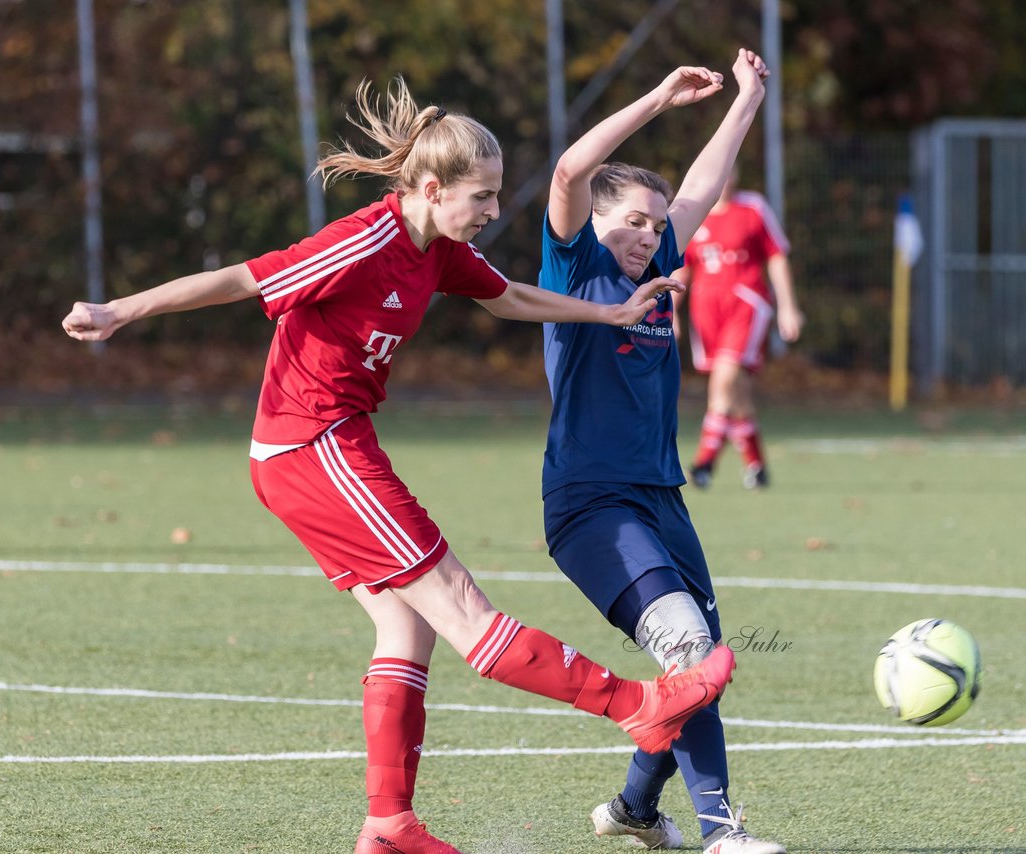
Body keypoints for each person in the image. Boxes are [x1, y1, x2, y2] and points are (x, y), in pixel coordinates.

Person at [63, 76, 736, 854]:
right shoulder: (366, 239)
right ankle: (635, 703)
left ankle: (388, 824)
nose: (491, 212)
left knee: (405, 624)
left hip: (326, 446)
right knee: (460, 606)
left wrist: (608, 311)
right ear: (430, 188)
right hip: (312, 444)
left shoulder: (439, 250)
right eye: (481, 197)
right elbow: (244, 278)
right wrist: (120, 311)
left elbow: (510, 296)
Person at [539, 51, 785, 854]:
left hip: (662, 500)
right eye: (632, 222)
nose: (647, 234)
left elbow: (703, 189)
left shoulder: (662, 262)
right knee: (688, 649)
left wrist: (745, 99)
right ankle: (722, 835)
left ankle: (636, 808)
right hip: (591, 507)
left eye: (654, 223)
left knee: (699, 667)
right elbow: (574, 166)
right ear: (595, 225)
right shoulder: (575, 266)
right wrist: (660, 96)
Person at [671, 167, 802, 490]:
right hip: (706, 311)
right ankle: (757, 466)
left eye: (729, 173)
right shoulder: (692, 213)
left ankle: (703, 463)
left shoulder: (752, 208)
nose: (724, 179)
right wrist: (669, 311)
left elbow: (776, 256)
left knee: (724, 381)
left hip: (746, 304)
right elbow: (681, 269)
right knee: (737, 392)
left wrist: (788, 306)